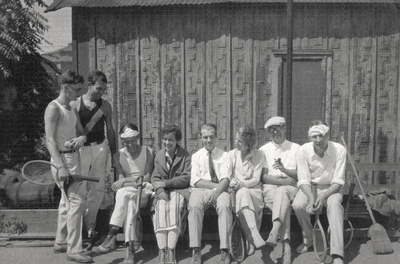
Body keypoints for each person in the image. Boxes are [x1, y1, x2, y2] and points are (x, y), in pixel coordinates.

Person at [45, 70, 92, 263]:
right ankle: (74, 250)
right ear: (65, 87)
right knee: (76, 203)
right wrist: (61, 166)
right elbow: (49, 140)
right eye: (76, 90)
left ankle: (60, 241)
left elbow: (82, 132)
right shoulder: (53, 108)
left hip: (75, 159)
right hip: (62, 162)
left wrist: (82, 138)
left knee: (66, 202)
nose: (79, 94)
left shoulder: (71, 107)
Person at [93, 123, 154, 264]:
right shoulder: (117, 155)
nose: (130, 144)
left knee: (122, 193)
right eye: (126, 141)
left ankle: (112, 234)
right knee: (129, 204)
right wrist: (126, 182)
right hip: (129, 193)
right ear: (122, 141)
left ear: (138, 137)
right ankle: (130, 250)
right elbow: (120, 180)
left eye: (133, 140)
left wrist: (126, 180)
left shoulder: (148, 151)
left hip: (144, 190)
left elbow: (146, 178)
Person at [71, 69, 119, 242]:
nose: (101, 92)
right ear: (89, 85)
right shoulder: (76, 104)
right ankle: (77, 230)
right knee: (80, 188)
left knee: (97, 189)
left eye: (103, 89)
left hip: (100, 148)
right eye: (98, 88)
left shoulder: (105, 106)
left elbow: (111, 131)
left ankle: (90, 227)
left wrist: (114, 155)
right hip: (82, 151)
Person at [292, 121, 346, 264]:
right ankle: (309, 239)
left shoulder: (339, 149)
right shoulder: (303, 150)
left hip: (332, 188)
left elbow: (338, 181)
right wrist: (311, 198)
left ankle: (337, 253)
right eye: (315, 136)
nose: (319, 140)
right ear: (310, 137)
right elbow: (303, 179)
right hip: (310, 187)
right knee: (298, 205)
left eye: (322, 135)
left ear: (327, 135)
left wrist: (323, 196)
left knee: (334, 205)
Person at [188, 123, 233, 264]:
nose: (208, 140)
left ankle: (225, 250)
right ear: (201, 138)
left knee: (225, 206)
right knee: (194, 206)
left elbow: (225, 179)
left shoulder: (225, 156)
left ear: (217, 137)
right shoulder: (196, 156)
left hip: (221, 190)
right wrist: (216, 187)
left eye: (211, 137)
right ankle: (196, 249)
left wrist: (217, 192)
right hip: (201, 190)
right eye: (205, 137)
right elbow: (196, 181)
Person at [259, 116, 300, 264]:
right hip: (271, 188)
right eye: (272, 130)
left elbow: (300, 175)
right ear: (269, 133)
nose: (276, 132)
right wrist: (280, 180)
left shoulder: (296, 149)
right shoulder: (263, 150)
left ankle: (275, 232)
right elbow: (263, 177)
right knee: (284, 206)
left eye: (279, 129)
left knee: (283, 194)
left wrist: (286, 171)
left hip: (291, 187)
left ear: (285, 129)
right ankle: (287, 247)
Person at [151, 125, 191, 264]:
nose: (167, 143)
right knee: (160, 208)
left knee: (174, 208)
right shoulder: (159, 156)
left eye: (171, 140)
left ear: (177, 141)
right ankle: (162, 250)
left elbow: (186, 178)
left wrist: (166, 184)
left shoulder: (185, 156)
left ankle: (171, 250)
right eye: (165, 139)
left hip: (179, 190)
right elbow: (155, 178)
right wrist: (160, 191)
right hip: (163, 191)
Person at [229, 125, 266, 256]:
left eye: (239, 141)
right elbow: (229, 176)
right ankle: (253, 236)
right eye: (236, 139)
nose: (236, 143)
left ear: (248, 143)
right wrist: (236, 184)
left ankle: (251, 239)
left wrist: (242, 184)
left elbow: (256, 179)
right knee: (242, 195)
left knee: (244, 194)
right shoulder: (231, 155)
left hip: (254, 191)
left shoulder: (259, 155)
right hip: (238, 192)